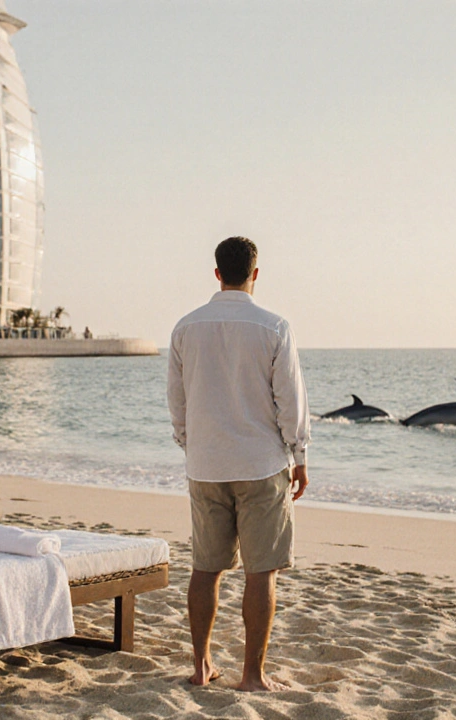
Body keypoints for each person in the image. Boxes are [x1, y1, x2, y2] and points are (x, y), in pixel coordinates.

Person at [166, 236, 310, 692]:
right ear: (255, 273)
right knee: (260, 571)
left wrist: (192, 445)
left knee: (205, 569)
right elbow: (290, 401)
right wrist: (300, 454)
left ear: (216, 274)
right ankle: (252, 676)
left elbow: (178, 401)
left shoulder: (185, 328)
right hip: (261, 465)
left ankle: (201, 666)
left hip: (206, 465)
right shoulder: (274, 327)